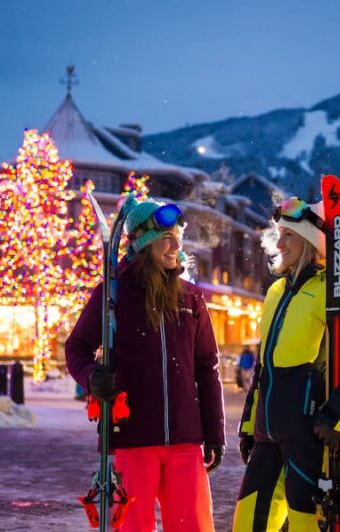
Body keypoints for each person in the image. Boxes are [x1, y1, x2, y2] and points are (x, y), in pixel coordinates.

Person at [65, 196, 225, 532]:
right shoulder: (114, 293)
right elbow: (76, 347)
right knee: (133, 526)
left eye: (178, 238)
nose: (175, 246)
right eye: (166, 238)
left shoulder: (190, 297)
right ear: (144, 243)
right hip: (133, 438)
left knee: (192, 526)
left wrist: (214, 432)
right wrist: (92, 377)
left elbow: (206, 366)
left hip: (185, 440)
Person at [233, 196, 340, 531]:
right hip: (266, 436)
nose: (279, 242)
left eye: (288, 235)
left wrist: (335, 414)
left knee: (305, 527)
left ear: (309, 242)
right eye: (279, 233)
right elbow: (262, 369)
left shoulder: (334, 290)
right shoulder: (275, 292)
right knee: (247, 525)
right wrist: (248, 425)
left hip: (307, 437)